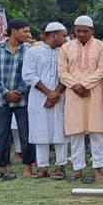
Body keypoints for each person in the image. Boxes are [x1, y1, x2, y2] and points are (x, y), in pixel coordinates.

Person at [60, 15, 103, 184]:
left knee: (97, 132)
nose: (81, 34)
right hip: (74, 94)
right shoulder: (66, 47)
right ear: (74, 31)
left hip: (95, 93)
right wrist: (76, 86)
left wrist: (85, 85)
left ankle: (97, 170)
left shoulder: (101, 46)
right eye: (78, 31)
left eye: (85, 31)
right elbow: (62, 72)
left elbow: (102, 70)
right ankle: (78, 169)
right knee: (76, 132)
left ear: (92, 31)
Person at [22, 22, 69, 180]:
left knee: (60, 131)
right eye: (63, 35)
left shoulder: (66, 51)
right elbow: (28, 75)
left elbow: (68, 74)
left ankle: (60, 166)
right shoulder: (33, 52)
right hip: (39, 97)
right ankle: (42, 167)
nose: (66, 38)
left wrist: (56, 93)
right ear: (54, 35)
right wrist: (49, 93)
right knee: (40, 130)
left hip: (61, 97)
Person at [0, 19, 33, 180]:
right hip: (2, 100)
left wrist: (19, 91)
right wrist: (6, 92)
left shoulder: (29, 50)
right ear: (13, 31)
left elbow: (30, 74)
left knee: (26, 134)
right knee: (2, 134)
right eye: (25, 31)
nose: (28, 35)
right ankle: (2, 166)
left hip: (23, 100)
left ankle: (28, 166)